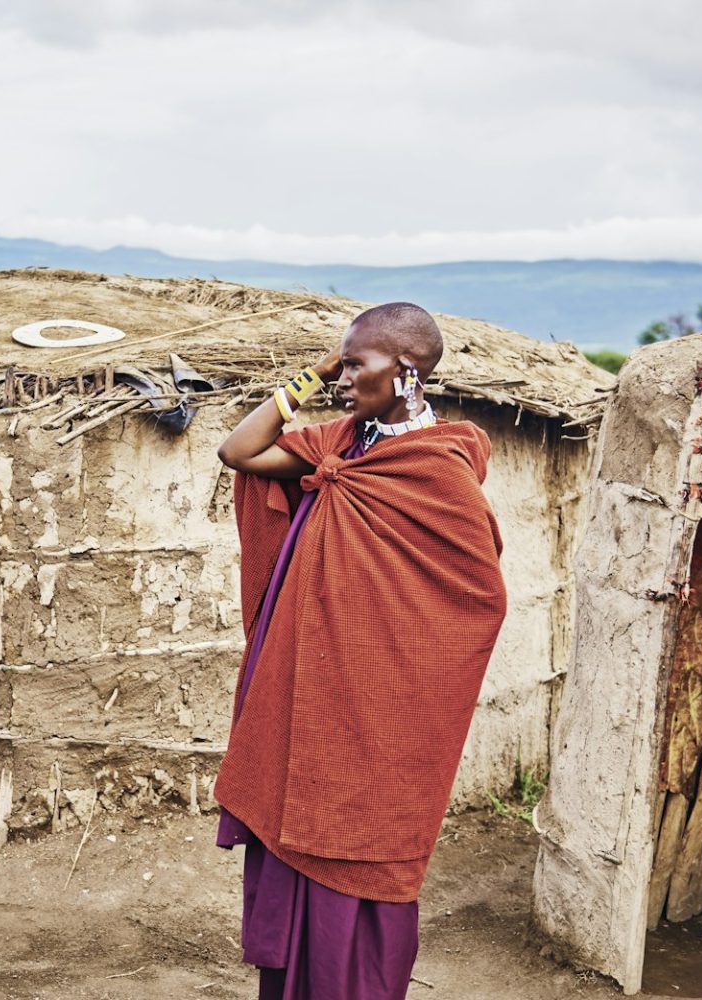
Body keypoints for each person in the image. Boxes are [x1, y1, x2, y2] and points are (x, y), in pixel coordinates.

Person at [213, 302, 508, 999]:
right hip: (305, 692)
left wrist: (388, 668)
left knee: (356, 841)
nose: (344, 377)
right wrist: (311, 374)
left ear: (406, 371)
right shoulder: (342, 445)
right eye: (340, 364)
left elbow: (477, 602)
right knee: (291, 828)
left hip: (376, 711)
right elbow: (240, 451)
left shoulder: (440, 468)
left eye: (355, 364)